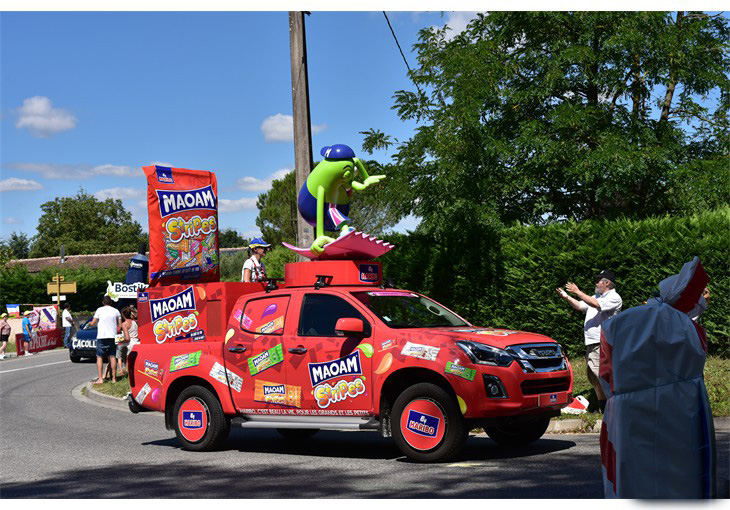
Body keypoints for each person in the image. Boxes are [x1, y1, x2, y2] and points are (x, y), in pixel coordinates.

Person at [557, 269, 622, 413]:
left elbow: (596, 305)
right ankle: (603, 406)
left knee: (602, 376)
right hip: (592, 342)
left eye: (598, 280)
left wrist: (578, 291)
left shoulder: (614, 297)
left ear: (607, 282)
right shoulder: (595, 297)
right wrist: (567, 297)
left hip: (603, 342)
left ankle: (611, 408)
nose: (595, 283)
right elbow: (581, 306)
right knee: (593, 376)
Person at [89, 295, 122, 384]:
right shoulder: (116, 311)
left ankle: (100, 379)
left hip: (101, 336)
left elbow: (93, 323)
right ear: (111, 302)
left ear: (103, 302)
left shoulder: (99, 310)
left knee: (99, 357)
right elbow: (120, 325)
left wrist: (90, 323)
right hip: (112, 336)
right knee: (112, 356)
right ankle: (114, 379)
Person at [117, 306, 138, 375]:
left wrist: (119, 339)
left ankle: (127, 373)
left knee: (127, 361)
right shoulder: (134, 322)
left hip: (130, 344)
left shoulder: (124, 324)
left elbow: (127, 338)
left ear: (123, 315)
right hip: (137, 342)